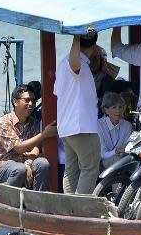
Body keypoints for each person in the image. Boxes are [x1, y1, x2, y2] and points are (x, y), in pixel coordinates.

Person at [54, 31, 102, 194]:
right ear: (94, 46)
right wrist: (76, 35)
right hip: (82, 127)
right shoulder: (75, 63)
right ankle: (81, 212)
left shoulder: (62, 64)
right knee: (89, 169)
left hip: (67, 128)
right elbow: (74, 65)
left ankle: (69, 211)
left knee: (71, 171)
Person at [0, 83, 57, 190]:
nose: (31, 104)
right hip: (1, 168)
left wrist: (29, 163)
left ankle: (36, 203)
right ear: (15, 102)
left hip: (23, 164)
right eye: (27, 100)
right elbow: (19, 147)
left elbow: (36, 146)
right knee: (19, 169)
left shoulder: (33, 122)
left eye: (33, 101)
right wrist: (44, 134)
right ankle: (8, 203)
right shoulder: (4, 122)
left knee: (42, 164)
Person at [97, 92, 133, 170]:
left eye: (120, 107)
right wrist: (117, 151)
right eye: (114, 107)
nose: (118, 111)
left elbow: (127, 150)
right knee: (117, 160)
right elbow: (103, 154)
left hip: (123, 160)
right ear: (106, 110)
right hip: (103, 163)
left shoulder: (127, 125)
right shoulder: (98, 125)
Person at [88, 46, 120, 114]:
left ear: (102, 60)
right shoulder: (84, 77)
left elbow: (105, 103)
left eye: (95, 58)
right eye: (89, 58)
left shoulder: (106, 80)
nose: (91, 62)